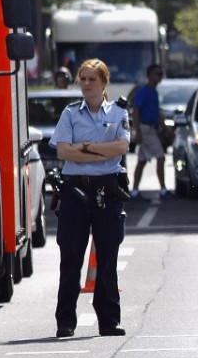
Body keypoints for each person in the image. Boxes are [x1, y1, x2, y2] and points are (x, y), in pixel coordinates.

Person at [48, 59, 131, 338]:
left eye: (92, 79)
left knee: (108, 257)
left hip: (107, 189)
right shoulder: (70, 114)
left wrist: (85, 146)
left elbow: (121, 147)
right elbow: (63, 152)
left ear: (104, 83)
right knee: (71, 255)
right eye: (82, 79)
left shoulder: (118, 113)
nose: (86, 84)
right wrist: (99, 152)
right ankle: (65, 321)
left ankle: (108, 320)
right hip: (75, 190)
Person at [131, 63, 169, 199]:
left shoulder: (154, 92)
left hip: (151, 129)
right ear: (150, 75)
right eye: (158, 74)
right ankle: (163, 189)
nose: (160, 77)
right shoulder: (144, 91)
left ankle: (134, 190)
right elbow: (136, 111)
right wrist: (138, 131)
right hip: (145, 128)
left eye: (161, 74)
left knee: (141, 161)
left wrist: (165, 128)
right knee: (161, 157)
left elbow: (156, 113)